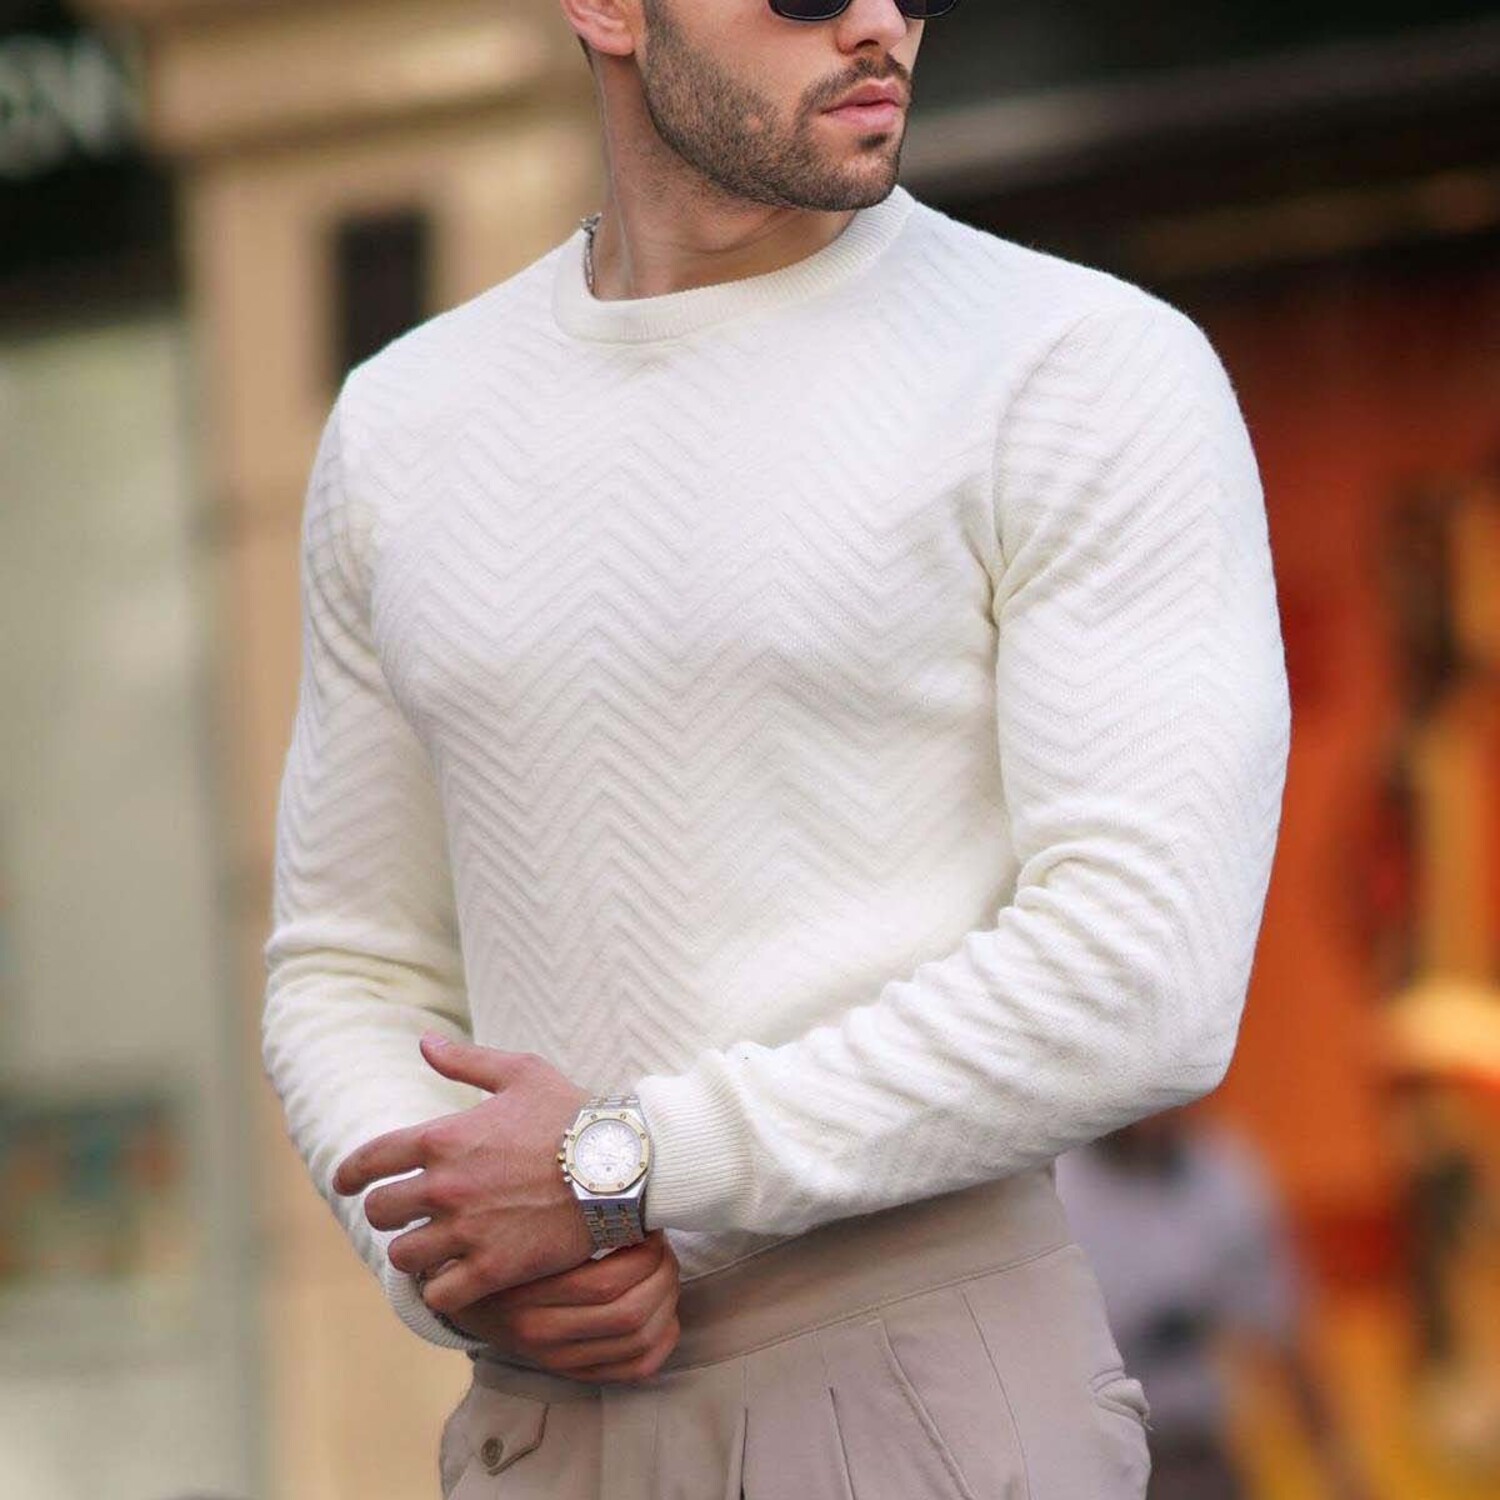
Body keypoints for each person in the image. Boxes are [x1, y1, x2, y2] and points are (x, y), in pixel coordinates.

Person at [259, 1, 1292, 1495]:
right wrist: (452, 1256)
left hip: (920, 1385)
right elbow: (348, 964)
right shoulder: (403, 424)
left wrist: (623, 1165)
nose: (877, 23)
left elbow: (1146, 972)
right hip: (543, 1412)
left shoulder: (1080, 367)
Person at [1055, 1113, 1377, 1500]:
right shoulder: (1052, 1192)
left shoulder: (1223, 1173)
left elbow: (1282, 1329)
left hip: (1200, 1452)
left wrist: (1340, 1469)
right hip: (1086, 1466)